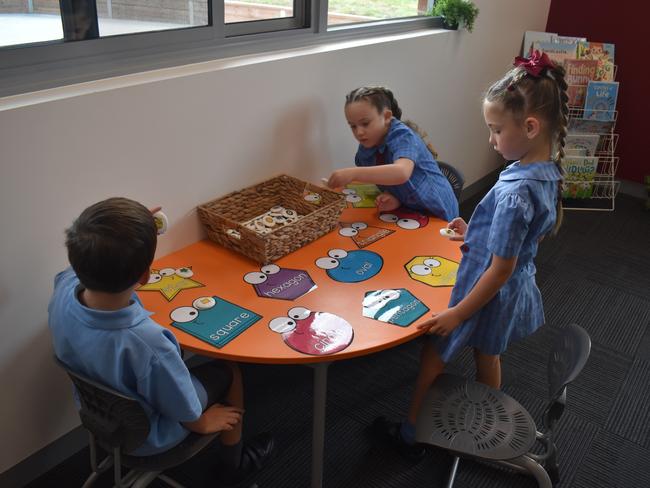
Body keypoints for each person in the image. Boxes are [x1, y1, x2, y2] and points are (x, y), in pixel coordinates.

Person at [372, 51, 566, 460]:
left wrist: (459, 313)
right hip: (508, 290)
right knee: (488, 352)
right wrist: (475, 229)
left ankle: (410, 434)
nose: (491, 140)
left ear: (530, 127)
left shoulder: (515, 191)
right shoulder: (546, 171)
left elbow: (499, 269)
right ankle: (487, 415)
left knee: (433, 353)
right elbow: (522, 238)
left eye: (496, 130)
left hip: (485, 289)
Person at [48, 197, 273, 486]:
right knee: (230, 370)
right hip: (150, 435)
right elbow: (184, 406)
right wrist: (199, 421)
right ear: (146, 275)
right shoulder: (148, 342)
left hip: (101, 417)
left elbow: (87, 258)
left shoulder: (63, 290)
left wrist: (132, 229)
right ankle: (235, 466)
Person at [327, 85, 459, 221]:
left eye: (365, 123)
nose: (359, 132)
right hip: (410, 210)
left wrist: (353, 173)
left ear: (387, 117)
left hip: (439, 211)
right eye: (353, 126)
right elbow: (386, 178)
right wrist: (395, 197)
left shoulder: (403, 135)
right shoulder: (366, 148)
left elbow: (401, 173)